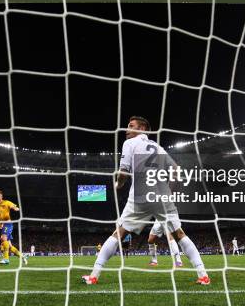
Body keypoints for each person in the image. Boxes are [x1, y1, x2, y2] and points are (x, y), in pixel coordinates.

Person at [82, 116, 209, 285]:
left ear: (142, 129)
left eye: (131, 126)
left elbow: (123, 172)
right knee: (179, 234)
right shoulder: (158, 147)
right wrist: (169, 192)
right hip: (162, 196)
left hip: (140, 196)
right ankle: (203, 275)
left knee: (119, 233)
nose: (126, 129)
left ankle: (94, 276)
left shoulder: (130, 143)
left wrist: (118, 184)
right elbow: (177, 171)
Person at [0, 190, 27, 265]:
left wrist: (15, 208)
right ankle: (22, 256)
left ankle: (6, 259)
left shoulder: (7, 202)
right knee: (9, 246)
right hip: (0, 226)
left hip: (7, 224)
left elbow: (13, 206)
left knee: (3, 238)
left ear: (1, 196)